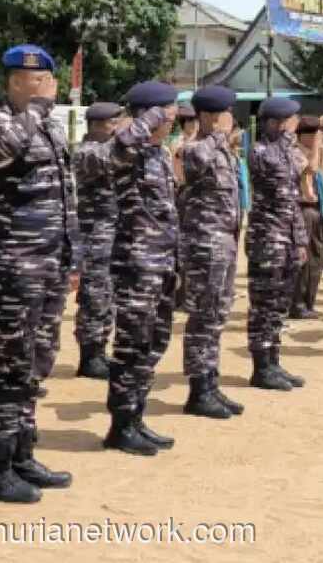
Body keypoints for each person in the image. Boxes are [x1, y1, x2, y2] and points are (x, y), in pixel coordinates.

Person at [0, 45, 78, 503]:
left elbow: (65, 196)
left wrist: (72, 260)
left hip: (51, 264)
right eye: (39, 82)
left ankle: (22, 454)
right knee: (11, 366)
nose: (48, 88)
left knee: (36, 364)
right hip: (16, 266)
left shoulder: (51, 127)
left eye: (47, 81)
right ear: (18, 82)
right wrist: (35, 109)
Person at [104, 81, 180, 454]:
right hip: (137, 263)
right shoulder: (125, 151)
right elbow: (117, 147)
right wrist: (149, 118)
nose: (174, 117)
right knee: (131, 344)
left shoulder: (160, 155)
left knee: (154, 341)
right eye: (169, 111)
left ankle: (136, 416)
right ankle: (120, 425)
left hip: (162, 262)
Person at [179, 85, 242, 418]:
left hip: (225, 243)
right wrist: (218, 135)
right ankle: (198, 390)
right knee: (202, 317)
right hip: (205, 243)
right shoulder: (195, 148)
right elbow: (193, 165)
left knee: (217, 316)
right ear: (211, 116)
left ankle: (210, 383)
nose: (232, 119)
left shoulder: (223, 151)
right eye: (226, 113)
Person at [246, 96, 308, 385]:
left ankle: (274, 361)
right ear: (277, 123)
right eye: (291, 120)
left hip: (286, 238)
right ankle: (261, 367)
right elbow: (280, 178)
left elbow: (293, 200)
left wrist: (301, 241)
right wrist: (288, 140)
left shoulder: (284, 151)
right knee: (264, 305)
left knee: (279, 305)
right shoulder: (262, 152)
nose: (296, 126)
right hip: (267, 239)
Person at [72, 102, 123, 380]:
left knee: (109, 295)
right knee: (95, 295)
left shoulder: (107, 149)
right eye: (113, 123)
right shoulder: (87, 152)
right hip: (95, 234)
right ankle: (89, 355)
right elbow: (112, 158)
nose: (117, 129)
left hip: (112, 231)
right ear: (98, 125)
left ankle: (100, 349)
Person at [291, 115, 323, 320]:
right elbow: (312, 168)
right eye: (316, 133)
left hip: (320, 207)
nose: (320, 137)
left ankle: (309, 301)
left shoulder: (320, 150)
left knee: (318, 257)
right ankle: (298, 303)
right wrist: (316, 147)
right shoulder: (296, 152)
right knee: (304, 258)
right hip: (303, 208)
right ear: (305, 136)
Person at [170, 102, 198, 309]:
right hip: (183, 192)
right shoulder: (179, 143)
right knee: (182, 246)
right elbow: (181, 155)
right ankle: (180, 296)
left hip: (198, 195)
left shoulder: (200, 142)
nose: (193, 125)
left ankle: (190, 295)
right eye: (189, 121)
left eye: (195, 121)